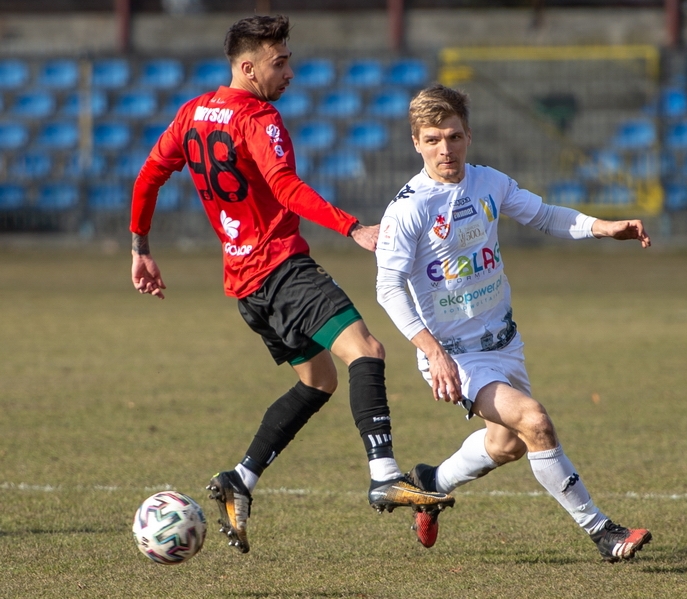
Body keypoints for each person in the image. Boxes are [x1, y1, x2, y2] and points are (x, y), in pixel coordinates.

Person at [129, 15, 453, 554]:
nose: (291, 73)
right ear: (248, 67)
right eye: (280, 63)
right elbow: (285, 187)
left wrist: (140, 249)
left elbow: (147, 177)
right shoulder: (258, 117)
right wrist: (352, 226)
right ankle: (384, 475)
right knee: (367, 352)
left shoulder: (190, 114)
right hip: (281, 270)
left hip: (245, 287)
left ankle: (241, 479)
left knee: (319, 381)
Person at [374, 84, 652, 562]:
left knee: (507, 445)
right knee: (535, 421)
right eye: (434, 139)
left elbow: (544, 216)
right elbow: (388, 288)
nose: (446, 149)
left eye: (454, 137)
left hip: (505, 341)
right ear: (416, 143)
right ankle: (604, 533)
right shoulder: (408, 210)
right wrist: (432, 351)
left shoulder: (488, 182)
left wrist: (602, 226)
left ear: (468, 135)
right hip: (455, 355)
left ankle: (430, 481)